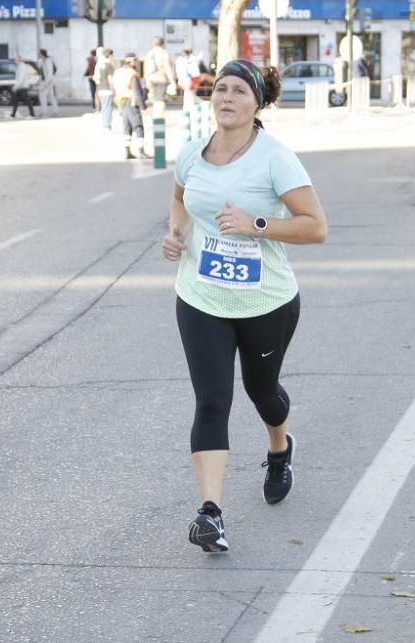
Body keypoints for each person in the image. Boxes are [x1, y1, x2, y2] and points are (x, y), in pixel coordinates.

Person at [160, 59, 328, 553]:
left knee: (263, 393)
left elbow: (315, 226)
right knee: (212, 401)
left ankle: (279, 448)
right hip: (201, 297)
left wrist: (256, 224)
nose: (226, 98)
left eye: (237, 91)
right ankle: (210, 513)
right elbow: (180, 200)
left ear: (257, 104)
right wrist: (176, 235)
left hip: (266, 302)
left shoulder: (276, 158)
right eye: (219, 90)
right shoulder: (192, 153)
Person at [112, 53, 148, 159]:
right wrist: (143, 105)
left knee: (127, 127)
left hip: (121, 102)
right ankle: (141, 151)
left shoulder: (118, 72)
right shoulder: (132, 74)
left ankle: (127, 151)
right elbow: (136, 91)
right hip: (131, 102)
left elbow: (114, 88)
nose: (136, 62)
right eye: (136, 60)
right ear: (132, 61)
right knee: (138, 126)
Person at [144, 36, 176, 118]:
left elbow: (146, 68)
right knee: (160, 100)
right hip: (161, 79)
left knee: (155, 99)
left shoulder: (149, 53)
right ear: (163, 44)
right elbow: (167, 68)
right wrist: (172, 81)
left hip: (150, 79)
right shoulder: (164, 53)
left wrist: (146, 80)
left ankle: (155, 115)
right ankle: (158, 118)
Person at [93, 46, 115, 131]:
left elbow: (96, 77)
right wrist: (113, 88)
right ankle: (107, 125)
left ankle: (104, 124)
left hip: (101, 88)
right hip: (107, 89)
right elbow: (110, 78)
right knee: (108, 107)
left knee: (104, 107)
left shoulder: (100, 65)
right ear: (109, 55)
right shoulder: (109, 65)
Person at [175, 47, 202, 112]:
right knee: (189, 94)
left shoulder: (180, 60)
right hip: (192, 79)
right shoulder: (192, 59)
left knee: (188, 94)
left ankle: (188, 108)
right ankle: (190, 108)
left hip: (187, 79)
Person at [9, 54, 35, 119]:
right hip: (20, 87)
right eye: (14, 60)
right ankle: (13, 115)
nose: (14, 61)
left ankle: (32, 115)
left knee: (27, 101)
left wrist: (15, 87)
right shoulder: (19, 66)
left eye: (15, 59)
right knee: (15, 101)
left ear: (19, 59)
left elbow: (21, 79)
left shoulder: (22, 67)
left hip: (23, 87)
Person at [38, 48, 59, 117]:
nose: (39, 55)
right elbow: (41, 71)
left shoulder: (48, 61)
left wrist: (47, 83)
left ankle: (44, 112)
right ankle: (55, 111)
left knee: (43, 96)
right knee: (51, 96)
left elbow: (49, 73)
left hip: (49, 81)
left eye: (40, 53)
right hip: (47, 81)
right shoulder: (43, 61)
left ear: (42, 54)